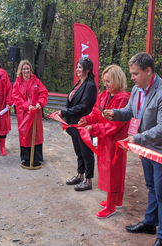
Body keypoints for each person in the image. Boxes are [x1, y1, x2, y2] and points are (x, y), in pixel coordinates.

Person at [103, 52, 162, 246]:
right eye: (131, 73)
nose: (131, 77)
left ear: (148, 71)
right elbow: (131, 112)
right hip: (147, 146)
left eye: (135, 73)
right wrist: (114, 113)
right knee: (152, 187)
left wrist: (137, 138)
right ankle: (150, 222)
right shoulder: (137, 89)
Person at [79, 65, 130, 218]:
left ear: (117, 80)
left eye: (109, 81)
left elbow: (114, 125)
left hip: (115, 140)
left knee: (113, 172)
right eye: (105, 81)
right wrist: (86, 119)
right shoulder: (104, 95)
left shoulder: (123, 98)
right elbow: (96, 111)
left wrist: (93, 128)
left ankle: (111, 205)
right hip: (104, 139)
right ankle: (116, 200)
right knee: (107, 169)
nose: (106, 85)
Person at [54, 57, 97, 191]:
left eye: (81, 67)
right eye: (77, 67)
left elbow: (84, 106)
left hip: (83, 123)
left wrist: (65, 112)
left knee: (86, 152)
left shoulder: (90, 85)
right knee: (78, 151)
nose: (78, 70)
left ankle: (88, 180)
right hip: (73, 124)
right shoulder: (79, 83)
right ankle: (80, 174)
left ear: (88, 70)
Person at [12, 60, 48, 168]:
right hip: (24, 113)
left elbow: (43, 93)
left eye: (28, 68)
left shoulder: (37, 82)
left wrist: (39, 103)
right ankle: (25, 157)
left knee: (36, 134)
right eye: (24, 69)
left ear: (30, 69)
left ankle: (38, 157)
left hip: (36, 113)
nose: (26, 71)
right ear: (21, 70)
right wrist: (26, 106)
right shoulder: (17, 83)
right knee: (25, 133)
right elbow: (16, 97)